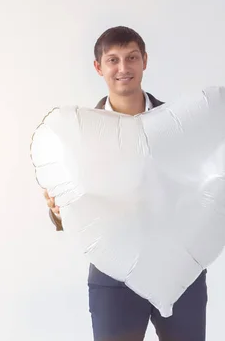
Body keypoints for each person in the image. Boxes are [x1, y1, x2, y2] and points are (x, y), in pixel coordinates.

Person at [44, 26, 208, 341]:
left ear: (144, 60)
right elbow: (68, 215)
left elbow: (203, 193)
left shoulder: (180, 125)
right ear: (99, 67)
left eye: (131, 57)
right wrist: (59, 212)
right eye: (113, 60)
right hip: (113, 276)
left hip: (178, 273)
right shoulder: (80, 135)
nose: (123, 68)